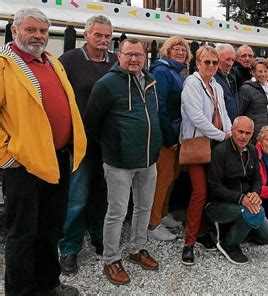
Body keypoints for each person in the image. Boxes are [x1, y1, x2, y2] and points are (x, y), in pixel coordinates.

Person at [1, 8, 86, 295]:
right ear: (15, 32)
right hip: (23, 165)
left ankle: (48, 285)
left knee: (51, 228)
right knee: (22, 235)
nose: (38, 36)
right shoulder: (4, 66)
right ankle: (21, 292)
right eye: (31, 30)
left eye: (42, 31)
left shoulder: (52, 62)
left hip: (57, 159)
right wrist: (7, 156)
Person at [85, 38, 162, 285]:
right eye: (129, 54)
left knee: (143, 208)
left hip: (148, 159)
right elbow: (92, 124)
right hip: (119, 162)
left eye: (139, 55)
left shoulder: (150, 80)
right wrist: (113, 145)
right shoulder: (106, 85)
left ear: (145, 56)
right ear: (119, 55)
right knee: (117, 212)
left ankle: (136, 248)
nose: (134, 59)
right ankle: (111, 259)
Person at [58, 14, 117, 275]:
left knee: (102, 195)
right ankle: (69, 248)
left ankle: (98, 238)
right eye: (99, 35)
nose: (104, 40)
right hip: (79, 143)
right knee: (77, 198)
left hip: (108, 143)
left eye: (107, 36)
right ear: (87, 34)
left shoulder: (116, 61)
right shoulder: (69, 60)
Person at [180, 45, 232, 265]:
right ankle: (188, 242)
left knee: (212, 190)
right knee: (199, 192)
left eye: (214, 62)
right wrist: (221, 135)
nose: (211, 66)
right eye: (206, 62)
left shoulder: (217, 85)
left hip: (216, 143)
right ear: (198, 63)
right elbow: (196, 118)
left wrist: (229, 132)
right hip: (199, 144)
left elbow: (224, 112)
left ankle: (203, 231)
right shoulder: (191, 84)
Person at [206, 116, 268, 265]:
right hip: (219, 204)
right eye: (240, 131)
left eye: (248, 133)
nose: (243, 136)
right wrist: (241, 199)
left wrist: (255, 193)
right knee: (255, 212)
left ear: (252, 134)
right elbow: (214, 186)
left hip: (245, 202)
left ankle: (238, 229)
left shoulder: (252, 150)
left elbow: (257, 179)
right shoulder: (220, 151)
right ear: (232, 130)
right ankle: (228, 243)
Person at [148, 36, 191, 242]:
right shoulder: (162, 71)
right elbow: (160, 106)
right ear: (167, 50)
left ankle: (163, 214)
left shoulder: (176, 72)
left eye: (183, 49)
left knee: (172, 175)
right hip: (167, 134)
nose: (181, 51)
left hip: (176, 132)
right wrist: (170, 137)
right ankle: (153, 222)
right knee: (162, 178)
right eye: (176, 48)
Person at [239, 58, 268, 143]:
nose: (263, 74)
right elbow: (240, 112)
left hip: (267, 133)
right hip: (253, 135)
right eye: (260, 71)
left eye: (265, 71)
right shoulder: (246, 89)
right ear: (253, 72)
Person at [214, 43, 239, 122]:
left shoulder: (231, 76)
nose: (230, 64)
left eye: (232, 60)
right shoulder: (212, 78)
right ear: (216, 58)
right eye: (227, 59)